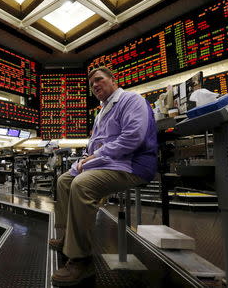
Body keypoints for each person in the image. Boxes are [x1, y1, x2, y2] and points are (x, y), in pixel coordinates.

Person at [50, 67, 158, 286]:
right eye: (92, 85)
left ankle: (81, 260)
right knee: (63, 181)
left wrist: (96, 155)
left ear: (113, 80)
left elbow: (132, 138)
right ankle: (68, 237)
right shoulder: (102, 111)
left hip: (132, 165)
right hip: (109, 163)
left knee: (81, 184)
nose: (95, 86)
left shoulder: (131, 100)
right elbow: (94, 145)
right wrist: (85, 159)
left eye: (99, 80)